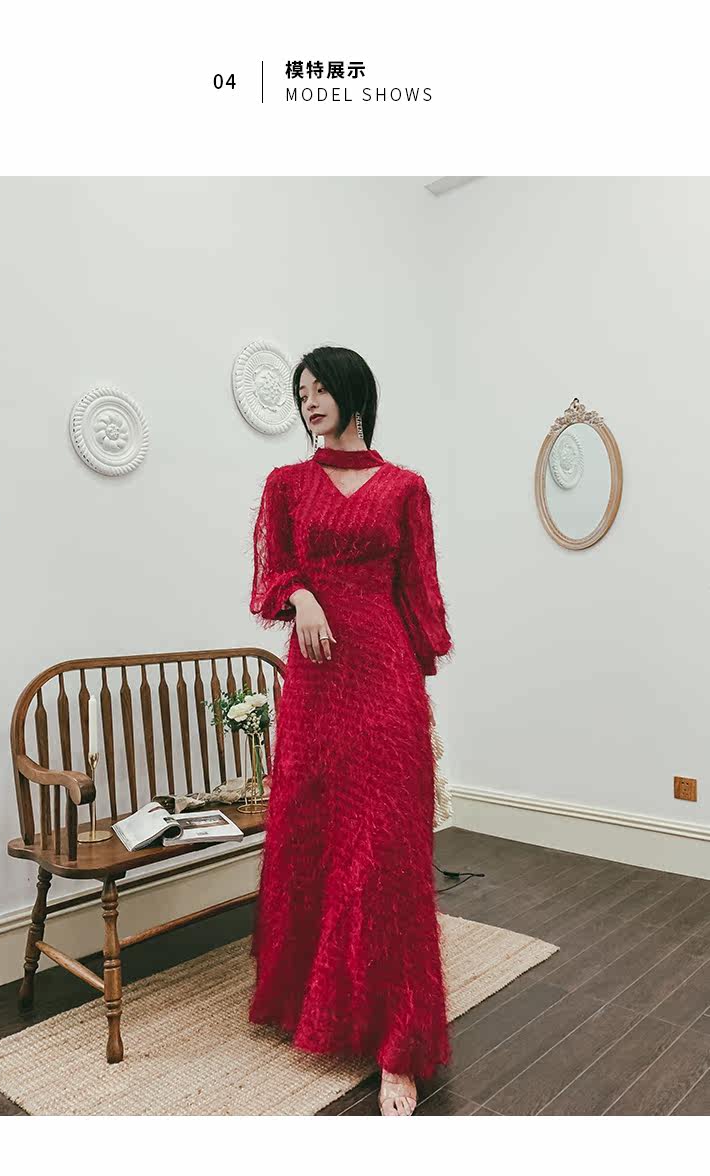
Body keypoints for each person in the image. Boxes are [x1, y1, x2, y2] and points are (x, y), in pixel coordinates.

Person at [247, 345, 455, 1116]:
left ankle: (401, 1045)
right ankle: (311, 1005)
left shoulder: (406, 487)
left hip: (384, 678)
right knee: (312, 837)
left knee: (389, 853)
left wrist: (414, 694)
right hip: (314, 685)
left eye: (319, 387)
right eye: (300, 391)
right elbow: (272, 573)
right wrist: (302, 596)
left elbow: (419, 589)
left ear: (354, 392)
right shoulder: (285, 484)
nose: (308, 401)